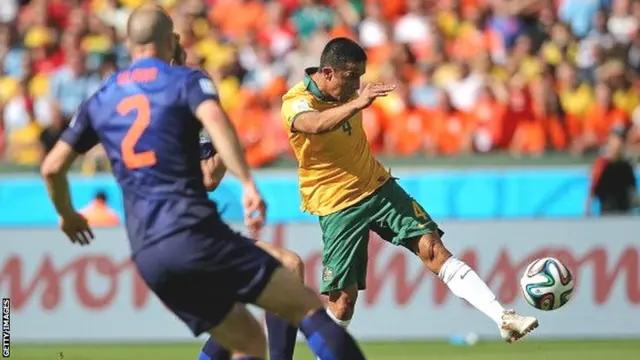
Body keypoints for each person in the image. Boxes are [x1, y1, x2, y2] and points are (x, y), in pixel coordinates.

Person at [40, 6, 366, 360]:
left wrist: (68, 214)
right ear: (170, 41)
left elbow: (52, 168)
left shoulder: (102, 97)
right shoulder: (186, 82)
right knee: (301, 301)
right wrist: (247, 183)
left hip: (148, 253)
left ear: (128, 42)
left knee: (245, 339)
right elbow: (214, 135)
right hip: (194, 232)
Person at [280, 37, 539, 343]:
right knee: (343, 301)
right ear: (327, 73)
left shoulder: (347, 92)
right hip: (337, 205)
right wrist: (358, 102)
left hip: (377, 187)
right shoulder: (296, 101)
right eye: (351, 77)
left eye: (360, 77)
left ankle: (502, 317)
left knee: (433, 248)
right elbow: (315, 124)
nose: (357, 85)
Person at [170, 39, 303, 360]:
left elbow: (210, 180)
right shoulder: (174, 117)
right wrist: (227, 141)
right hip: (179, 234)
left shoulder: (188, 114)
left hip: (196, 231)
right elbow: (206, 178)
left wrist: (223, 140)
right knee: (279, 275)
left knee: (281, 274)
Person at [586, 125, 638, 216]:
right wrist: (587, 213)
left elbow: (632, 192)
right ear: (610, 140)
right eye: (617, 138)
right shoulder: (602, 164)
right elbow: (592, 191)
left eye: (623, 139)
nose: (620, 143)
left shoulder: (626, 166)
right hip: (608, 215)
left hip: (625, 214)